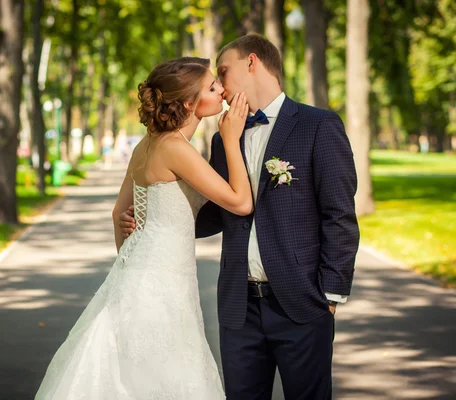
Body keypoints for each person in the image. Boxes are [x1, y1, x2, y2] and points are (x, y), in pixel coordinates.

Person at [120, 34, 360, 400]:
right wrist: (157, 222)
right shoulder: (223, 140)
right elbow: (219, 212)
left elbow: (339, 214)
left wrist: (331, 293)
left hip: (301, 302)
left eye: (224, 72)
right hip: (239, 306)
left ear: (252, 63)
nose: (220, 84)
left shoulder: (318, 126)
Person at [35, 57, 255, 399]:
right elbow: (241, 203)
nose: (222, 89)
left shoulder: (148, 143)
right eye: (213, 87)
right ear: (187, 103)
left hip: (136, 276)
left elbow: (117, 214)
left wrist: (129, 261)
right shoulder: (175, 148)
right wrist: (230, 138)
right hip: (163, 283)